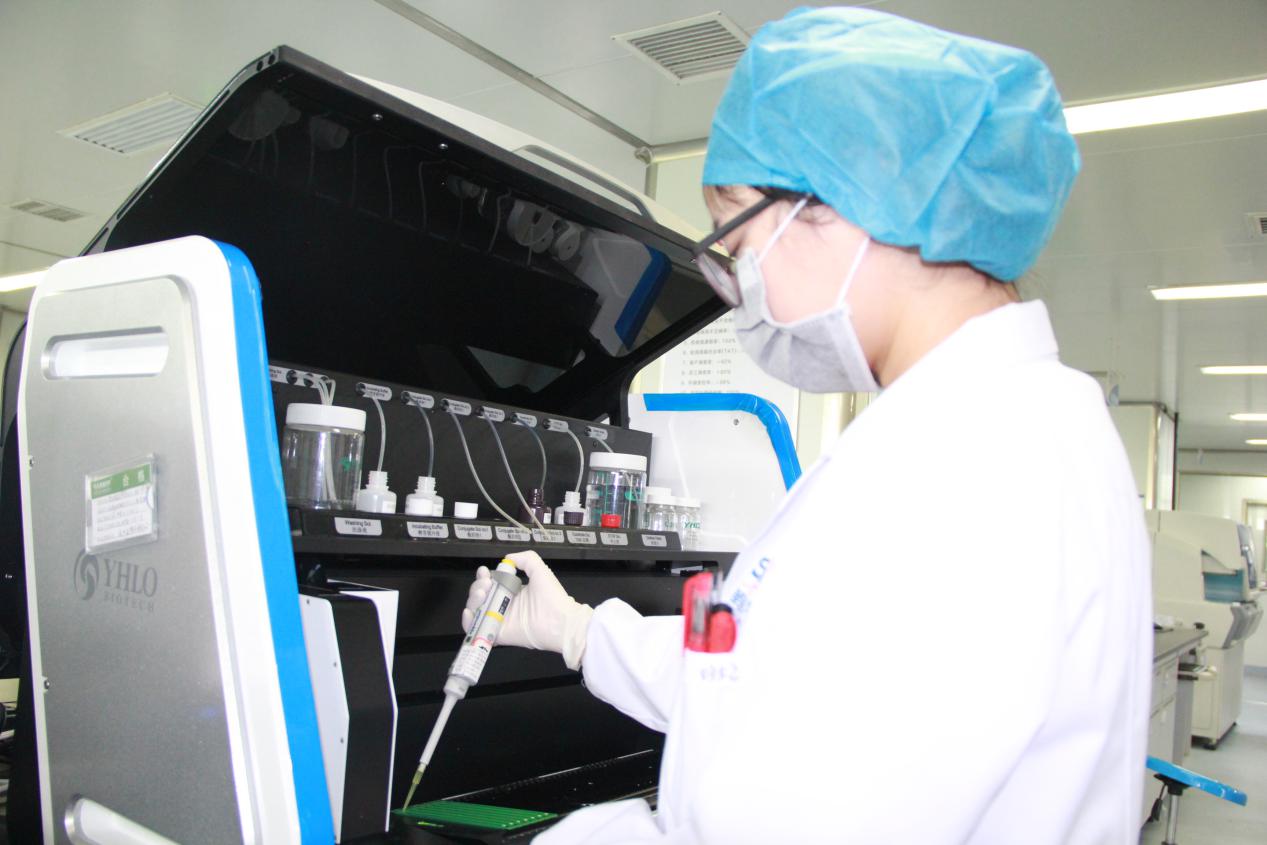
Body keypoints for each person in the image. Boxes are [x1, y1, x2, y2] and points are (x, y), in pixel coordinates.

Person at [462, 7, 1152, 843]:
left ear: (839, 205)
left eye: (739, 239)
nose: (737, 285)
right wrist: (579, 631)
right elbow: (773, 678)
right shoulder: (1005, 425)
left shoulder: (970, 467)